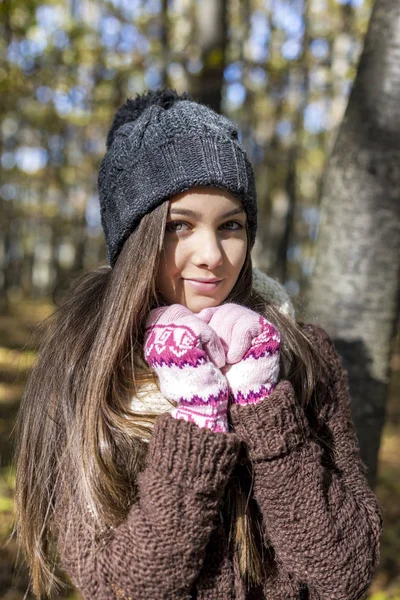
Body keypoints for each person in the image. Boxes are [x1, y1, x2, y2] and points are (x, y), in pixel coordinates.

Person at [15, 88, 382, 600]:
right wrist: (197, 418)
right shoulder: (86, 367)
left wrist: (260, 399)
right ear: (135, 239)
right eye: (179, 227)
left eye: (230, 225)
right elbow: (120, 587)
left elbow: (344, 569)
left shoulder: (302, 353)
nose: (211, 254)